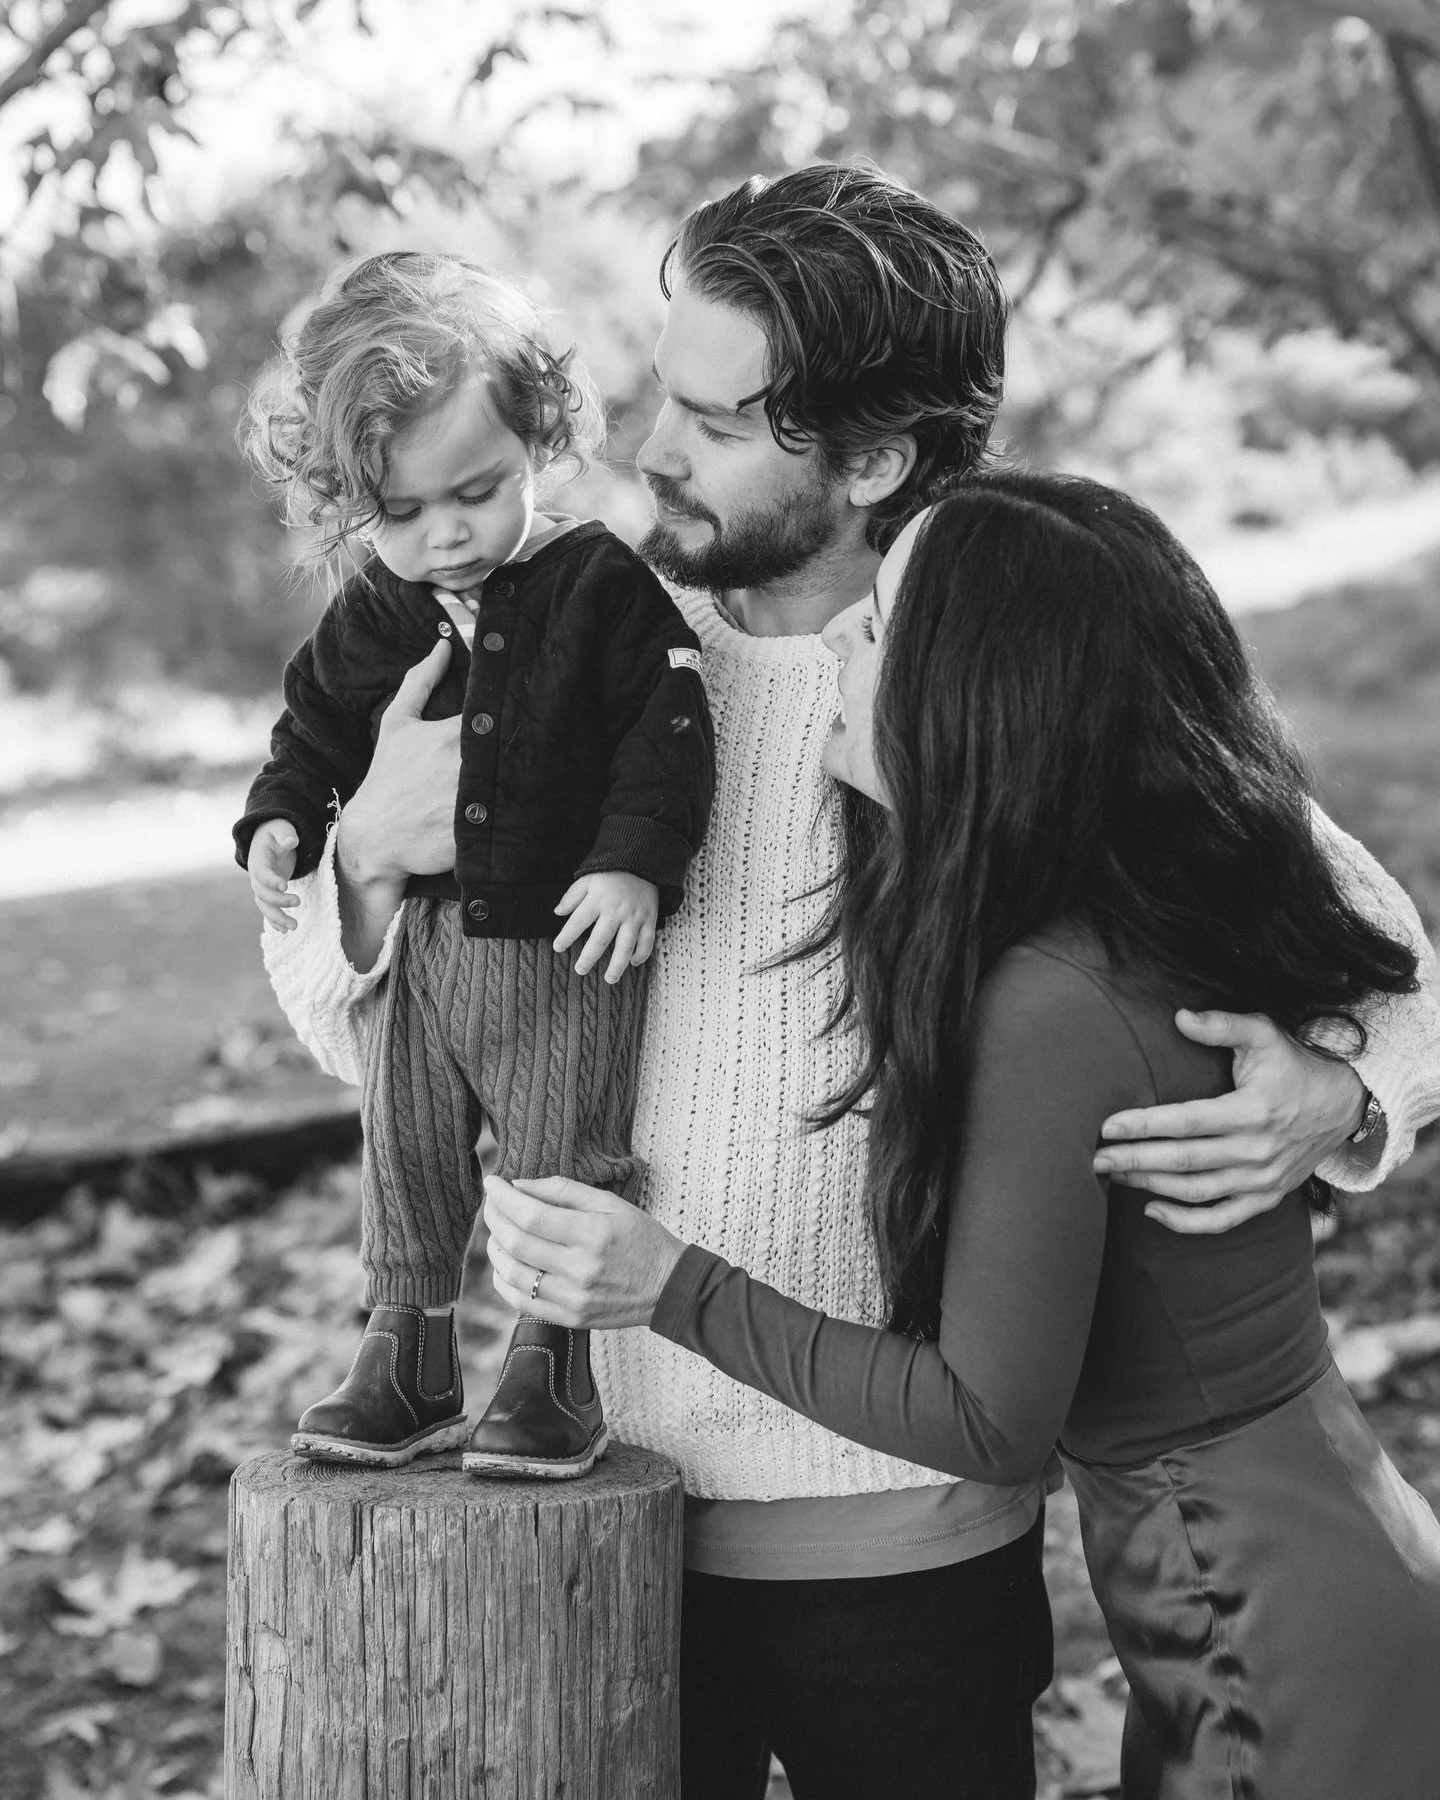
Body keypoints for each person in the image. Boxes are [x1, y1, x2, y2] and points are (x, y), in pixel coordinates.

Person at [260, 170, 1440, 1797]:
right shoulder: (581, 628)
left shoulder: (981, 664)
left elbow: (1353, 928)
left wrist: (1342, 1088)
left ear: (871, 458)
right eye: (658, 393)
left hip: (902, 1528)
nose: (650, 454)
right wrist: (369, 867)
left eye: (716, 421)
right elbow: (355, 1022)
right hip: (607, 1488)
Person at [483, 473, 1440, 1799]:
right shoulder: (1132, 897)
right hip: (1310, 1558)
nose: (834, 650)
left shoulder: (1048, 1000)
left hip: (1258, 1621)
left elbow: (991, 1418)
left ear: (969, 697)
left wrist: (669, 1285)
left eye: (873, 630)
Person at [233, 250, 714, 1477]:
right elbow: (317, 733)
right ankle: (406, 1348)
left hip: (561, 950)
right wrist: (284, 824)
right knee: (405, 1144)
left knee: (562, 1151)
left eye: (478, 491)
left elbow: (665, 726)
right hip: (424, 962)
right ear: (354, 502)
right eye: (401, 512)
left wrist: (631, 867)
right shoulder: (374, 613)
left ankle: (553, 1367)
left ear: (541, 442)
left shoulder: (594, 581)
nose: (446, 533)